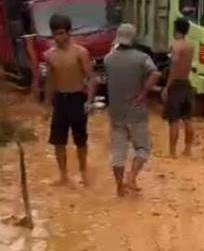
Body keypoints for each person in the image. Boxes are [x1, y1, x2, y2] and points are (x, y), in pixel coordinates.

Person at [104, 23, 159, 196]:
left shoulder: (108, 59)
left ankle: (119, 187)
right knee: (143, 148)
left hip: (116, 113)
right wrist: (143, 93)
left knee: (118, 152)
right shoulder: (142, 58)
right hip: (136, 112)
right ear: (134, 38)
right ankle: (131, 177)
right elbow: (155, 73)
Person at [44, 13, 95, 186]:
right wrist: (46, 104)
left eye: (61, 33)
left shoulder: (80, 52)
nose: (58, 37)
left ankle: (84, 173)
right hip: (60, 99)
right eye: (55, 33)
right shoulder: (49, 55)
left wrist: (90, 100)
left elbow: (91, 77)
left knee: (80, 139)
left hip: (77, 98)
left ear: (68, 32)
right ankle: (63, 175)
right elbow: (50, 81)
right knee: (58, 140)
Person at [162, 17, 194, 157]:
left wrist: (167, 87)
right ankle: (187, 149)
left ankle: (172, 151)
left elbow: (174, 67)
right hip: (186, 82)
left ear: (176, 29)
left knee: (173, 120)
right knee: (187, 119)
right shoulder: (190, 46)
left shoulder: (176, 46)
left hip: (175, 84)